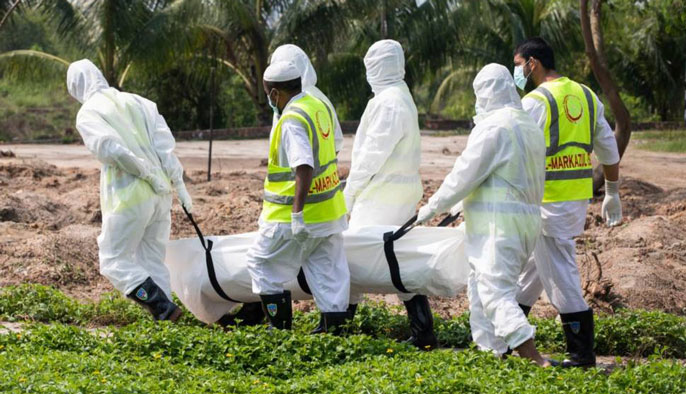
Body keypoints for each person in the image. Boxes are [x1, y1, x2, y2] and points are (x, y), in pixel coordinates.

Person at [415, 64, 549, 366]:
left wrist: (432, 207)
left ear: (487, 93)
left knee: (494, 293)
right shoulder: (527, 124)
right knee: (480, 290)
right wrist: (460, 205)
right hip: (523, 222)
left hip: (498, 227)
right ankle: (492, 354)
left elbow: (464, 173)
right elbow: (506, 175)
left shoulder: (494, 127)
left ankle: (534, 359)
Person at [512, 37, 623, 368]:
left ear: (533, 63)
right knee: (533, 271)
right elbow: (608, 150)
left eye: (518, 64)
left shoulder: (535, 102)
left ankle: (581, 354)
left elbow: (513, 150)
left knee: (560, 277)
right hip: (574, 202)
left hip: (547, 205)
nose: (516, 71)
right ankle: (506, 335)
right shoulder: (587, 96)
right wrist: (613, 191)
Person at [219, 44, 347, 330]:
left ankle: (279, 330)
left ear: (276, 93)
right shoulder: (318, 106)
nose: (269, 100)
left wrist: (297, 214)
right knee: (327, 270)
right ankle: (333, 329)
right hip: (329, 211)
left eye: (268, 95)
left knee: (261, 264)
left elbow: (303, 166)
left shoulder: (291, 118)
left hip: (292, 215)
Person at [66, 59, 193, 322]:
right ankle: (167, 320)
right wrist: (178, 186)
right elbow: (165, 147)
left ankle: (161, 307)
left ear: (76, 87)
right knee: (153, 259)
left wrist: (145, 174)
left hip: (129, 197)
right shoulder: (140, 102)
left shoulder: (89, 112)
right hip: (161, 195)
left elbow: (110, 149)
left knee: (112, 259)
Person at [343, 39, 437, 350]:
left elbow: (371, 155)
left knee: (353, 256)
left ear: (378, 68)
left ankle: (339, 325)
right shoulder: (397, 96)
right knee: (395, 261)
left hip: (380, 196)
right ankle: (422, 330)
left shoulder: (389, 102)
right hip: (395, 194)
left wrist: (349, 191)